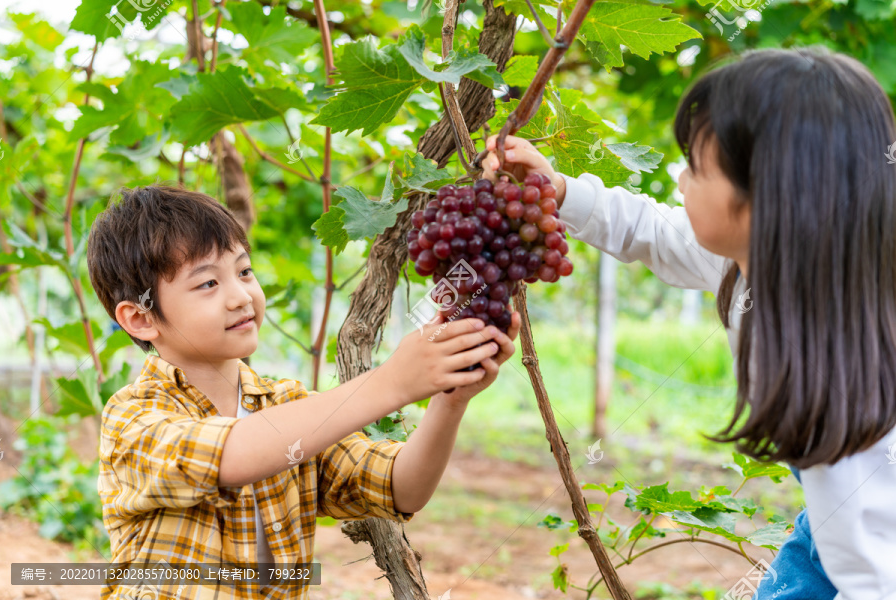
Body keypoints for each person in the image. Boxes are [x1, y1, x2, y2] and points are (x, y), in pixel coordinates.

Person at [483, 46, 896, 599]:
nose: (679, 179)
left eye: (696, 167)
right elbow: (653, 232)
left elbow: (877, 576)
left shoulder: (854, 382)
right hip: (832, 525)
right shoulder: (761, 261)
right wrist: (559, 191)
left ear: (767, 195)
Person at [86, 185, 519, 599]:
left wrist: (449, 400)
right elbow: (231, 454)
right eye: (207, 284)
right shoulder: (132, 417)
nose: (240, 296)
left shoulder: (288, 404)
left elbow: (401, 487)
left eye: (244, 271)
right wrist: (392, 381)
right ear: (141, 318)